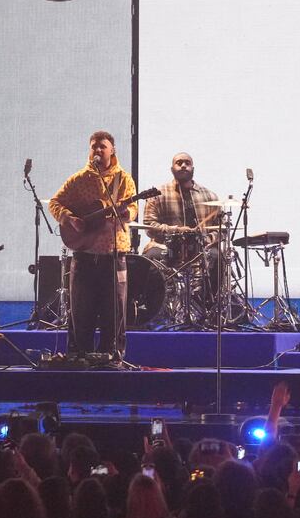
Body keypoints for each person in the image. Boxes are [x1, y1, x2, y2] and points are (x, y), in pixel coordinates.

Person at [49, 130, 138, 357]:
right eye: (94, 146)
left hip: (113, 255)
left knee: (114, 313)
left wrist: (126, 212)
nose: (98, 150)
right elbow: (55, 203)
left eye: (103, 146)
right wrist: (69, 219)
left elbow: (134, 211)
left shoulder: (123, 178)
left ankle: (113, 359)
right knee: (81, 313)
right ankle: (79, 360)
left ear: (113, 150)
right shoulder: (79, 179)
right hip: (84, 255)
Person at [142, 152, 226, 306]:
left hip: (201, 249)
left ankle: (206, 306)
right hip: (166, 247)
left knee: (217, 256)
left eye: (187, 162)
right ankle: (156, 307)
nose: (183, 165)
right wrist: (177, 231)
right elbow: (149, 225)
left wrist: (208, 239)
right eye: (178, 162)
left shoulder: (210, 196)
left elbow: (223, 228)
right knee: (150, 258)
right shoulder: (157, 194)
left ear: (193, 168)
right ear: (172, 168)